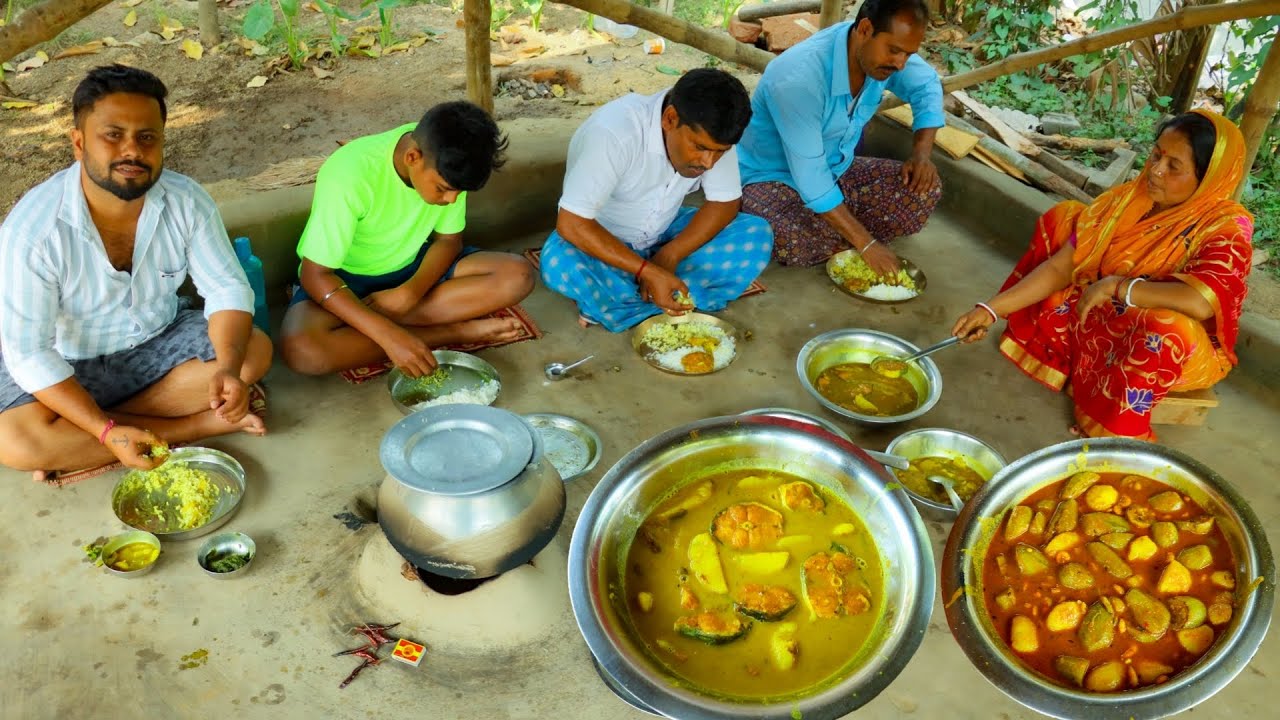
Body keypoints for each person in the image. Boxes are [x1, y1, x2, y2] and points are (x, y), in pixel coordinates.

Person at [0, 65, 273, 480]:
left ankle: (81, 437)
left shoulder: (187, 201)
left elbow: (227, 288)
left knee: (252, 353)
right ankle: (188, 427)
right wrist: (102, 428)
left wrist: (228, 368)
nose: (132, 151)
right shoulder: (34, 231)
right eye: (113, 135)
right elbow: (29, 353)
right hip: (67, 360)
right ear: (78, 143)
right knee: (15, 441)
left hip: (156, 341)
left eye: (147, 137)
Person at [951, 110, 1253, 441]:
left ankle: (1111, 430)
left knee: (1167, 328)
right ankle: (1084, 372)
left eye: (1174, 167)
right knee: (1065, 220)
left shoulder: (1226, 228)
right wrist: (991, 310)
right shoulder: (1127, 199)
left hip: (1169, 348)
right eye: (1156, 155)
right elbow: (1062, 267)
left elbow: (1199, 302)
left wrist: (1116, 286)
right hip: (1113, 320)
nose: (1155, 171)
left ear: (1208, 178)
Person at [280, 101, 535, 378]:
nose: (451, 200)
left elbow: (448, 241)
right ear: (412, 157)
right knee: (303, 352)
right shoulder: (350, 174)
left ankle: (367, 323)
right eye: (443, 189)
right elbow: (315, 274)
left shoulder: (452, 158)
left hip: (416, 269)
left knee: (517, 275)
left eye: (459, 193)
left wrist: (409, 293)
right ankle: (451, 332)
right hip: (346, 281)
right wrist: (390, 338)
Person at [540, 68, 772, 332]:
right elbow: (572, 224)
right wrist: (647, 271)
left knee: (754, 233)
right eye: (700, 148)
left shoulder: (713, 135)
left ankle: (626, 305)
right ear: (670, 119)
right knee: (561, 262)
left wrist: (670, 255)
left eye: (720, 152)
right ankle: (671, 298)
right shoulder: (614, 133)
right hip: (603, 244)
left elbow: (725, 203)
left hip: (665, 233)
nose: (708, 162)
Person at [737, 0, 943, 271]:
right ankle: (845, 232)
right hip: (771, 178)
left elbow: (927, 86)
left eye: (908, 54)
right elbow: (811, 178)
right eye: (894, 51)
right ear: (865, 29)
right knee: (791, 238)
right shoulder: (797, 80)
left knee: (924, 190)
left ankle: (835, 231)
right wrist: (867, 244)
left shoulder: (881, 56)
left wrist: (921, 155)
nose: (901, 64)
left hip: (837, 170)